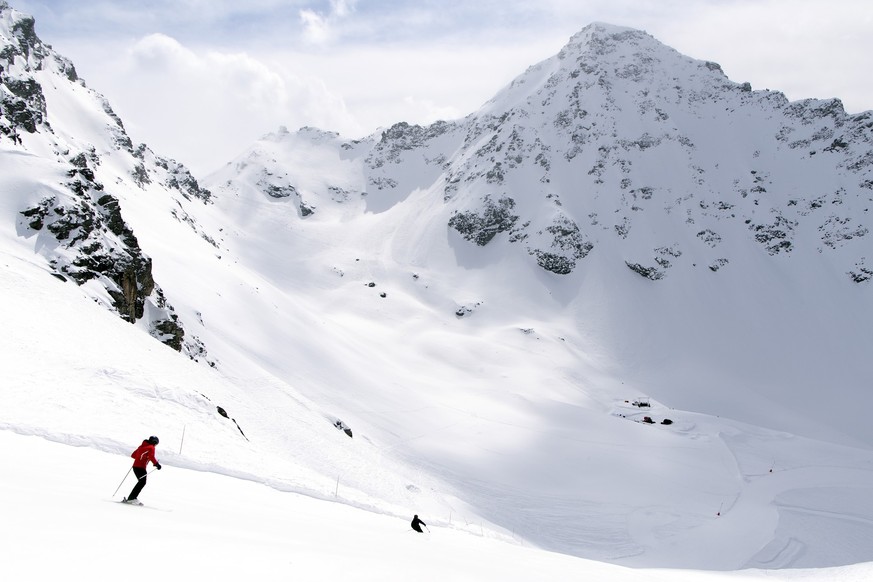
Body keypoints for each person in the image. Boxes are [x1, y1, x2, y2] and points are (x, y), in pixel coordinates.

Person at [123, 436, 162, 505]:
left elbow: (133, 455)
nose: (156, 445)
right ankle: (132, 498)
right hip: (141, 467)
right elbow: (151, 456)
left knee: (141, 482)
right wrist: (157, 464)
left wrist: (143, 456)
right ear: (154, 442)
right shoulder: (151, 447)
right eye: (156, 444)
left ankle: (132, 497)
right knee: (142, 482)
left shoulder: (142, 446)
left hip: (135, 467)